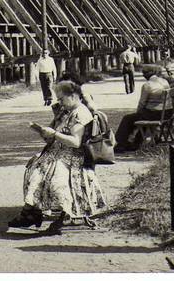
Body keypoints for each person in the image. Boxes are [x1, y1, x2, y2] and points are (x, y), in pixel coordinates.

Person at [8, 81, 106, 233]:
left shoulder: (81, 113)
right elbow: (55, 134)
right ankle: (31, 212)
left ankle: (41, 213)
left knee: (47, 174)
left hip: (72, 155)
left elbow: (75, 142)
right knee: (35, 169)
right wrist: (45, 133)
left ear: (73, 96)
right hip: (57, 152)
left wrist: (54, 134)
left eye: (61, 98)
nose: (59, 102)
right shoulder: (66, 111)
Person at [113, 65, 174, 152]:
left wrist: (138, 113)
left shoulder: (147, 85)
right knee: (143, 115)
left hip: (156, 114)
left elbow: (142, 103)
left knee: (128, 118)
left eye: (144, 73)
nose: (143, 76)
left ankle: (121, 144)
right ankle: (135, 143)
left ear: (147, 74)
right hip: (168, 113)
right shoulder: (164, 81)